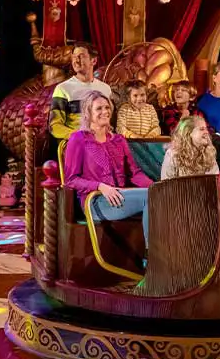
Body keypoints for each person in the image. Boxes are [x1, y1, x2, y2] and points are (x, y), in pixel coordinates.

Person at [62, 91, 154, 246]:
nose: (105, 112)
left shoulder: (118, 140)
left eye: (107, 107)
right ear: (88, 113)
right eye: (99, 109)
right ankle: (151, 257)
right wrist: (100, 186)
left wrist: (156, 187)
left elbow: (134, 173)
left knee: (158, 195)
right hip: (95, 200)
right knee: (149, 197)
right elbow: (71, 180)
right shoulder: (78, 139)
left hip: (120, 196)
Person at [49, 43, 113, 141]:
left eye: (81, 56)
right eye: (74, 57)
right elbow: (54, 126)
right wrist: (80, 136)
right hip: (74, 141)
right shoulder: (63, 89)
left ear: (94, 60)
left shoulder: (105, 89)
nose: (76, 61)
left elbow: (110, 121)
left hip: (101, 139)